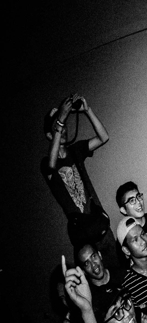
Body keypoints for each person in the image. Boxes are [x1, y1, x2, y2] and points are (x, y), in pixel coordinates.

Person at [42, 93, 112, 249]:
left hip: (98, 223)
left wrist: (87, 111)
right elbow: (51, 166)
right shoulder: (46, 163)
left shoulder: (76, 150)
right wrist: (60, 120)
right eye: (57, 127)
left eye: (64, 125)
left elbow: (103, 137)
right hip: (81, 232)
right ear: (49, 135)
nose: (63, 129)